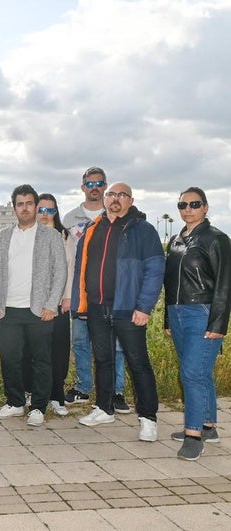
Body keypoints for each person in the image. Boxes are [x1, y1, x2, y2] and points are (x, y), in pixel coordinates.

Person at [72, 182, 164, 441]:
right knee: (103, 360)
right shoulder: (93, 229)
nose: (115, 198)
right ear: (104, 199)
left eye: (121, 195)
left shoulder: (143, 230)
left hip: (128, 308)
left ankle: (148, 418)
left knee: (138, 364)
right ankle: (104, 408)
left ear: (130, 201)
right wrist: (82, 304)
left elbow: (155, 270)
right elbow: (82, 268)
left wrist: (144, 307)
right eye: (111, 194)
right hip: (97, 307)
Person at [0, 185, 67, 427]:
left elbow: (60, 272)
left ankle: (38, 407)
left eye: (29, 203)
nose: (25, 208)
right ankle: (15, 402)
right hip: (7, 309)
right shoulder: (1, 237)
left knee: (41, 360)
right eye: (20, 204)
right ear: (14, 208)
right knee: (10, 358)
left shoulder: (50, 236)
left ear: (35, 206)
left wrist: (52, 304)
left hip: (39, 310)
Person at [164, 187, 231, 460]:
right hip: (178, 314)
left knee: (191, 373)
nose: (187, 209)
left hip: (202, 313)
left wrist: (218, 324)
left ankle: (194, 436)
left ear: (205, 207)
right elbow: (170, 283)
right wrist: (169, 317)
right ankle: (208, 426)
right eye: (182, 204)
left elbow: (225, 285)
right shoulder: (177, 241)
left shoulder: (217, 239)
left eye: (194, 204)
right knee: (198, 372)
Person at [62, 166, 130, 414]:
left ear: (106, 186)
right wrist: (68, 294)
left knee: (117, 345)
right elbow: (66, 258)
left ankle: (116, 391)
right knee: (80, 342)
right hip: (81, 291)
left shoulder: (117, 213)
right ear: (83, 187)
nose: (95, 188)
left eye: (100, 183)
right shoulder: (69, 219)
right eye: (90, 183)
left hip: (111, 291)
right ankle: (83, 387)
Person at [32, 194, 76, 416]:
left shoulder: (64, 236)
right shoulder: (28, 234)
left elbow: (70, 267)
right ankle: (34, 393)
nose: (44, 214)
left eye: (49, 210)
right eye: (41, 209)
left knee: (58, 350)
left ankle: (57, 396)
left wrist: (67, 296)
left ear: (56, 212)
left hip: (58, 303)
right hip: (32, 304)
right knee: (35, 351)